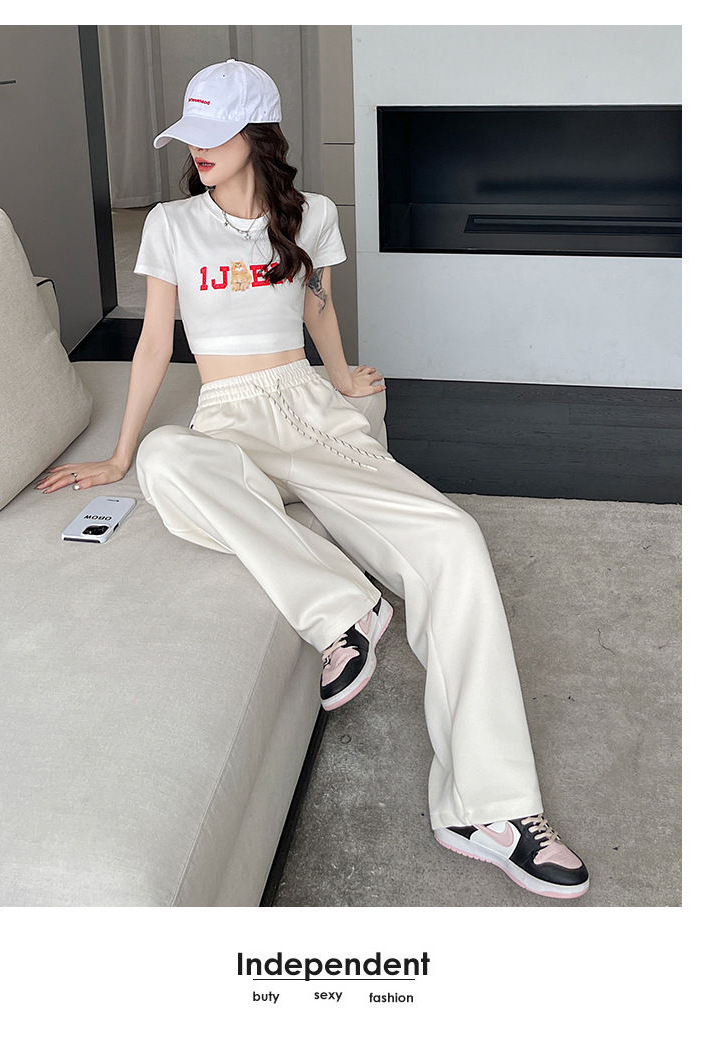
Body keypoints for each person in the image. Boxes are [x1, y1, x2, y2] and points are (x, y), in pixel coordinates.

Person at [37, 59, 589, 900]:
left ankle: (491, 807)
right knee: (164, 459)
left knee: (455, 538)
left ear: (257, 133)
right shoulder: (171, 225)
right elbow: (153, 343)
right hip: (226, 418)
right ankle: (345, 608)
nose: (197, 152)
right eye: (190, 137)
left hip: (305, 409)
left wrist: (340, 377)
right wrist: (117, 455)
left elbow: (317, 304)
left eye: (213, 134)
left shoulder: (313, 214)